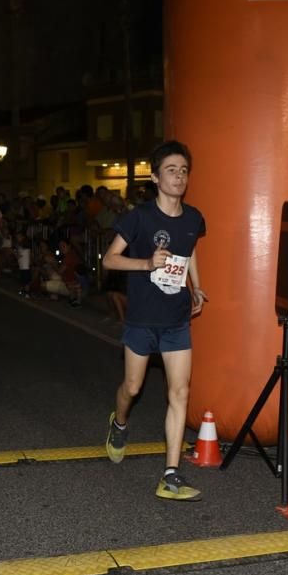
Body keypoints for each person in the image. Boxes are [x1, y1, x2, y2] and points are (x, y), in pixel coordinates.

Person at [101, 140, 208, 501]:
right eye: (171, 170)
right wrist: (146, 263)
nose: (179, 177)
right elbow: (110, 260)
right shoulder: (139, 217)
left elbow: (189, 250)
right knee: (132, 388)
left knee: (179, 393)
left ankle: (171, 474)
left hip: (176, 319)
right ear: (155, 176)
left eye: (183, 171)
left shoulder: (194, 218)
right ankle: (119, 424)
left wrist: (197, 286)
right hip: (142, 319)